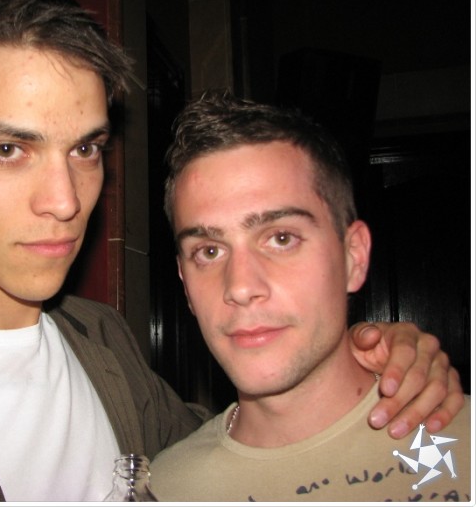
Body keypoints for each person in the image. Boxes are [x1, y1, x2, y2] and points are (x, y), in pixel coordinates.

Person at [0, 0, 464, 502]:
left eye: (85, 149)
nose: (66, 200)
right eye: (10, 149)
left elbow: (242, 442)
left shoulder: (104, 342)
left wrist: (373, 351)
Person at [150, 92, 471, 502]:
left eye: (281, 238)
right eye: (209, 251)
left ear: (353, 257)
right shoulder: (162, 491)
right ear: (184, 283)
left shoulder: (465, 442)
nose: (240, 287)